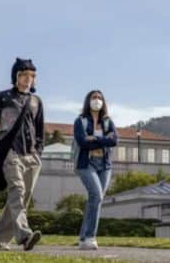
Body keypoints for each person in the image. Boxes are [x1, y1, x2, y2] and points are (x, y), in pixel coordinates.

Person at [0, 58, 44, 251]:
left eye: (32, 76)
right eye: (24, 75)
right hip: (9, 153)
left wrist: (38, 151)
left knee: (22, 197)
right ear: (16, 76)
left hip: (31, 156)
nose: (28, 79)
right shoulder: (3, 97)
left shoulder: (36, 101)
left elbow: (40, 130)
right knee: (17, 191)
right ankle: (24, 236)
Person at [73, 90, 118, 250]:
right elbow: (82, 142)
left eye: (100, 98)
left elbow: (114, 141)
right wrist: (104, 140)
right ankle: (90, 237)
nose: (97, 100)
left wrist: (96, 138)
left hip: (105, 165)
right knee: (96, 196)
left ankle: (83, 238)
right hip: (86, 164)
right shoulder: (80, 121)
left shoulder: (107, 121)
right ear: (88, 101)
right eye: (94, 97)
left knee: (95, 200)